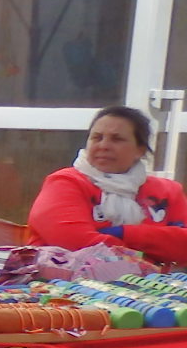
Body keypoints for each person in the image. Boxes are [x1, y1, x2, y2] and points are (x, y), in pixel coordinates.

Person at [27, 105, 187, 265]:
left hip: (151, 281)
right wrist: (153, 255)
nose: (104, 146)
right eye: (97, 138)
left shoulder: (168, 191)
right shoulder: (64, 183)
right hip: (64, 280)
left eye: (117, 139)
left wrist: (126, 233)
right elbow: (79, 244)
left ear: (140, 150)